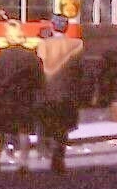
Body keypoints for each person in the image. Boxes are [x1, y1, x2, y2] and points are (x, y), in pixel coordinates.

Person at [0, 21, 44, 173]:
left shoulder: (2, 56)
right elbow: (39, 79)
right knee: (24, 131)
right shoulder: (30, 56)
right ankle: (23, 162)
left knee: (2, 130)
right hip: (24, 97)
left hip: (6, 97)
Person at [36, 15, 84, 173]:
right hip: (67, 91)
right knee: (63, 125)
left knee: (46, 120)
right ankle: (59, 154)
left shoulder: (44, 44)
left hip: (47, 89)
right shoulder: (77, 44)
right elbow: (79, 71)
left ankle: (45, 150)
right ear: (67, 27)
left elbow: (40, 66)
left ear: (52, 26)